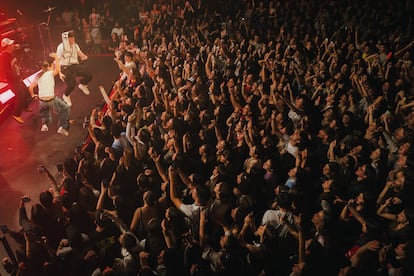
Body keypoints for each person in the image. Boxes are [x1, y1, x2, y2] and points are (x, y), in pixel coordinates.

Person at [28, 53, 70, 136]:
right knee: (65, 108)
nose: (53, 67)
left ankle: (44, 125)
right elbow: (58, 70)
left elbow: (30, 87)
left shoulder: (38, 75)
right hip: (51, 100)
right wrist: (56, 58)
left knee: (44, 111)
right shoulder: (50, 73)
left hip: (42, 101)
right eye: (52, 66)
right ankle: (62, 127)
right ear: (49, 66)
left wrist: (33, 95)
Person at [0, 38, 32, 123]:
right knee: (20, 95)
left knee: (26, 91)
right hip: (13, 81)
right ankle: (16, 114)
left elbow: (19, 47)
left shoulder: (11, 54)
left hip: (17, 78)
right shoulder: (4, 57)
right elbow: (6, 70)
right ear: (7, 47)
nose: (13, 45)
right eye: (11, 44)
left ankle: (25, 106)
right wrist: (15, 77)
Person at [56, 30, 92, 107]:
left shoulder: (75, 45)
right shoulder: (61, 47)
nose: (73, 39)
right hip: (65, 67)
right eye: (71, 38)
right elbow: (57, 60)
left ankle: (82, 84)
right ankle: (66, 95)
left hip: (74, 65)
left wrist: (83, 56)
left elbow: (79, 53)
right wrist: (59, 73)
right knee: (72, 84)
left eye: (73, 37)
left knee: (89, 74)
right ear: (66, 39)